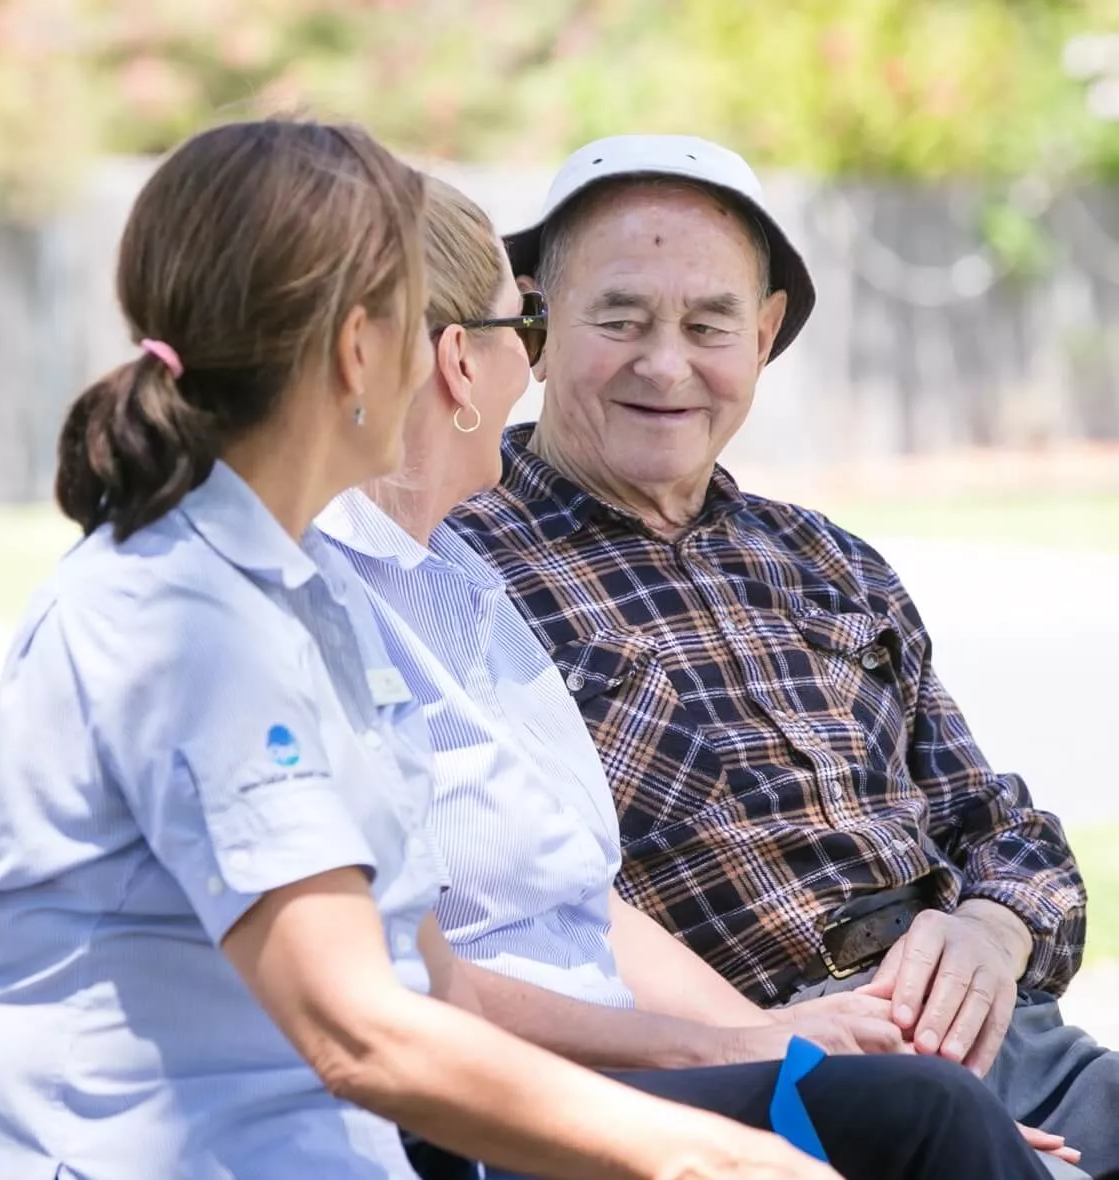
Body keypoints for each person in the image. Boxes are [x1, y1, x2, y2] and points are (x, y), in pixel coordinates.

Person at [0, 120, 847, 1180]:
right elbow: (362, 1031)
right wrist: (708, 1156)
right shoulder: (184, 617)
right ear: (358, 350)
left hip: (334, 1154)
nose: (455, 366)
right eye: (430, 325)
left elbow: (427, 986)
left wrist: (729, 1098)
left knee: (907, 1122)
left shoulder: (307, 596)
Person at [319, 174, 1064, 1180]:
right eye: (613, 320)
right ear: (489, 346)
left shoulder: (813, 557)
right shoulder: (425, 566)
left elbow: (1001, 825)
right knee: (937, 1125)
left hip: (952, 1026)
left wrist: (985, 935)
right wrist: (760, 1051)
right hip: (628, 1071)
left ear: (762, 335)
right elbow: (404, 983)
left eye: (708, 325)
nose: (665, 364)